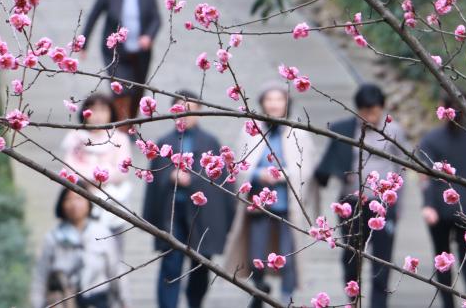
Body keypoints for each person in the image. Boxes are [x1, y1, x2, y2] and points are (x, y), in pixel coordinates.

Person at [224, 83, 317, 308]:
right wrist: (258, 174)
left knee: (288, 255)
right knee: (257, 255)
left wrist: (282, 174)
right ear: (262, 103)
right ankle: (259, 291)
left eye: (279, 99)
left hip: (288, 206)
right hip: (258, 206)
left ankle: (287, 299)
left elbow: (306, 168)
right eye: (270, 99)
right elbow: (240, 166)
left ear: (287, 103)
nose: (274, 104)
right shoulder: (251, 130)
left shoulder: (298, 132)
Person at [313, 84, 406, 308]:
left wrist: (397, 206)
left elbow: (402, 167)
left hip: (383, 205)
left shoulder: (393, 131)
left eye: (374, 110)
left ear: (382, 108)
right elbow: (329, 162)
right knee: (351, 257)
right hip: (352, 203)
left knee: (382, 260)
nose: (369, 116)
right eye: (365, 111)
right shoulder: (346, 129)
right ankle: (353, 300)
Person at [142, 91, 235, 308]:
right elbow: (153, 184)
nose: (185, 115)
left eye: (191, 110)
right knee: (171, 265)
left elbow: (221, 184)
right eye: (180, 110)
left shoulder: (211, 141)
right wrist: (170, 175)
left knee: (201, 265)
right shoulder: (164, 142)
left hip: (203, 216)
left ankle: (195, 303)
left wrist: (192, 181)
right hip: (171, 213)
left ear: (200, 113)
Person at [417, 95, 466, 308]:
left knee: (443, 262)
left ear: (443, 110)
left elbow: (425, 178)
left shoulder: (431, 140)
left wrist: (427, 205)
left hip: (440, 210)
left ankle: (450, 305)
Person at [82, 0, 161, 124]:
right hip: (115, 51)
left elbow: (156, 19)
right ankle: (121, 124)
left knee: (138, 89)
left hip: (141, 51)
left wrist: (149, 36)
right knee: (122, 89)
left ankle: (131, 123)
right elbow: (93, 16)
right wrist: (83, 43)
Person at [31, 187, 123, 308]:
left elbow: (116, 272)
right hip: (64, 301)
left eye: (79, 198)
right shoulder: (52, 238)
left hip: (98, 300)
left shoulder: (103, 234)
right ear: (62, 204)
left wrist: (125, 303)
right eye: (68, 199)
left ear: (89, 203)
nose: (74, 204)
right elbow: (41, 276)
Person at [60, 93, 134, 242]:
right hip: (82, 202)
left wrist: (90, 173)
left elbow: (122, 171)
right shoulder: (75, 138)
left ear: (111, 113)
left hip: (113, 203)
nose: (98, 115)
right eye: (93, 110)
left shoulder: (119, 139)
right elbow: (69, 169)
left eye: (103, 110)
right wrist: (101, 172)